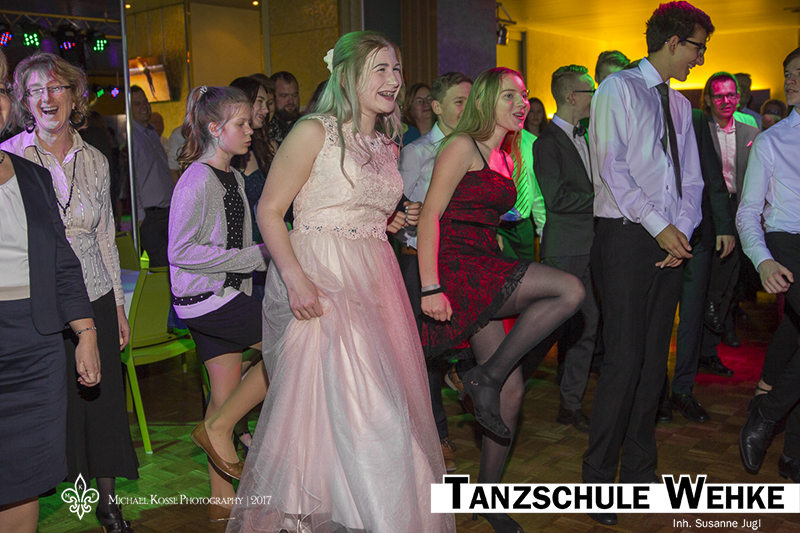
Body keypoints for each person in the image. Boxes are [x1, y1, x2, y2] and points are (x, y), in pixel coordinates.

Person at [222, 31, 454, 532]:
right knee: (368, 407)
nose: (393, 79)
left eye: (396, 68)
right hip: (323, 277)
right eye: (380, 69)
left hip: (374, 278)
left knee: (353, 409)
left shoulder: (385, 142)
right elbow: (270, 210)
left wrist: (387, 219)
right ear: (347, 76)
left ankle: (350, 513)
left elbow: (355, 203)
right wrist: (296, 279)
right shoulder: (314, 131)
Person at [418, 66, 584, 533]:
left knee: (511, 392)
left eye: (524, 96)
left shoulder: (507, 156)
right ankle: (484, 376)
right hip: (457, 266)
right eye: (510, 95)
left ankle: (488, 497)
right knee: (570, 289)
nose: (521, 103)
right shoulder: (461, 146)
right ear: (485, 101)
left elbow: (485, 217)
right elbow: (431, 215)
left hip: (484, 261)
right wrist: (430, 286)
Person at [582, 2, 711, 526]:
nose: (700, 58)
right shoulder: (618, 89)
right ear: (673, 41)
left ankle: (638, 473)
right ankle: (597, 480)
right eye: (698, 47)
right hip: (625, 237)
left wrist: (681, 228)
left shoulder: (679, 103)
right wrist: (660, 226)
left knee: (655, 359)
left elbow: (692, 179)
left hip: (670, 237)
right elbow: (612, 168)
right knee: (623, 360)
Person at [2, 51, 139, 532]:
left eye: (56, 87)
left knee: (102, 405)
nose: (47, 97)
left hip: (94, 294)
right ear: (24, 101)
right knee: (51, 407)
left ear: (74, 96)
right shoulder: (12, 156)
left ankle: (108, 504)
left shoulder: (96, 159)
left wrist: (117, 307)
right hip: (40, 303)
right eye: (35, 90)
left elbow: (105, 238)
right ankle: (47, 494)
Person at [0, 47, 99, 533]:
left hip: (37, 346)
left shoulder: (33, 177)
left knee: (25, 478)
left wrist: (86, 333)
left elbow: (63, 263)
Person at [168, 85, 270, 522]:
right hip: (206, 299)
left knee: (224, 396)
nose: (250, 131)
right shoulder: (197, 178)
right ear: (214, 129)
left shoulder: (233, 177)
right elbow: (180, 251)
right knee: (289, 344)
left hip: (222, 296)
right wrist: (257, 256)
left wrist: (253, 259)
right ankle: (219, 428)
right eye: (241, 124)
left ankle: (220, 502)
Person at [398, 70, 472, 473]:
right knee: (426, 355)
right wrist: (417, 213)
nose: (468, 108)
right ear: (438, 107)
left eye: (471, 100)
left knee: (467, 343)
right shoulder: (417, 152)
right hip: (422, 262)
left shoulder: (477, 146)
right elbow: (403, 212)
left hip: (462, 261)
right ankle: (437, 434)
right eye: (460, 101)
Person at [737, 47, 800, 483]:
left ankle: (792, 454)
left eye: (799, 73)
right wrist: (762, 260)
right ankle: (766, 413)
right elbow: (747, 212)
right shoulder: (772, 141)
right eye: (787, 73)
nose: (790, 79)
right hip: (788, 243)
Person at [533, 64, 597, 433]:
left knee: (587, 325)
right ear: (572, 97)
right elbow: (556, 199)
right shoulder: (547, 143)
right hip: (565, 248)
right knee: (548, 329)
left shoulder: (588, 134)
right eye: (591, 91)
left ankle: (570, 404)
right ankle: (496, 379)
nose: (595, 97)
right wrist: (602, 199)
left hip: (589, 245)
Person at [129, 85, 174, 267]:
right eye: (137, 103)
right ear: (129, 108)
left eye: (145, 101)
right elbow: (132, 179)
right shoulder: (133, 137)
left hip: (166, 212)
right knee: (163, 266)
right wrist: (140, 216)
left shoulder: (151, 132)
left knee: (172, 265)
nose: (144, 106)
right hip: (150, 216)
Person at [268, 71, 300, 147]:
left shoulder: (305, 123)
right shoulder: (266, 129)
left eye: (294, 95)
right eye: (284, 96)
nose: (291, 101)